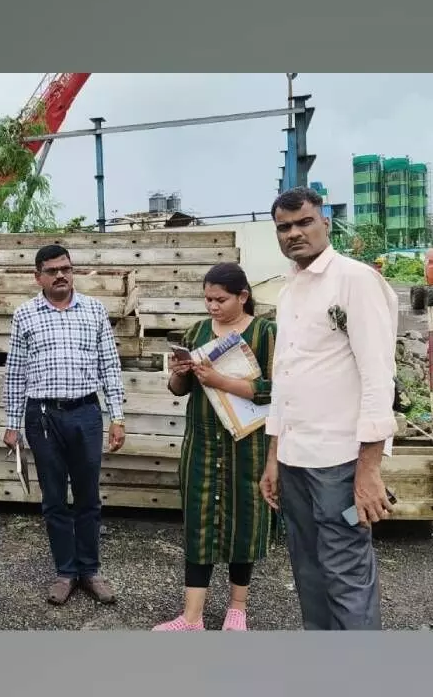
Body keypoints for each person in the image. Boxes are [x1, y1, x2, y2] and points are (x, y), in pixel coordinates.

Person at [258, 186, 399, 631]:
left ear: (326, 224)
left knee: (346, 574)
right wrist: (273, 458)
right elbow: (285, 379)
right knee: (309, 573)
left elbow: (378, 378)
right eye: (284, 227)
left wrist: (370, 469)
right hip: (296, 460)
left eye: (304, 223)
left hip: (339, 461)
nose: (294, 234)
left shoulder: (354, 281)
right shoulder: (289, 290)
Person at [153, 262, 277, 632]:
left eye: (220, 299)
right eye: (207, 299)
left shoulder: (266, 333)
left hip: (248, 442)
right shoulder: (197, 331)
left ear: (243, 296)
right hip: (203, 440)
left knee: (244, 521)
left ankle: (237, 610)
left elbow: (278, 390)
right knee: (199, 522)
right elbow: (180, 391)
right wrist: (178, 374)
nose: (212, 307)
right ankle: (192, 617)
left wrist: (221, 380)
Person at [3, 244, 126, 606]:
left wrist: (116, 416)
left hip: (86, 413)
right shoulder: (25, 314)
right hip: (42, 417)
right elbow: (15, 373)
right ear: (37, 276)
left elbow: (109, 366)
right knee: (54, 498)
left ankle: (90, 570)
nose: (61, 275)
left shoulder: (94, 311)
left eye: (66, 268)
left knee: (88, 496)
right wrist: (12, 424)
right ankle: (65, 571)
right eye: (53, 270)